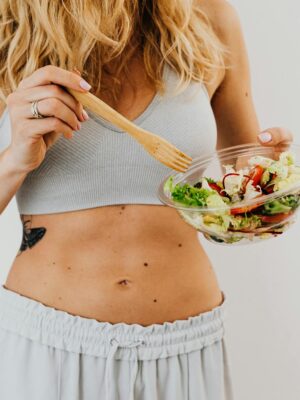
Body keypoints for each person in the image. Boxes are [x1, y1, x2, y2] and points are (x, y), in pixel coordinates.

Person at [0, 0, 293, 399]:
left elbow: (242, 181)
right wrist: (15, 159)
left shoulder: (209, 17)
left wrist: (266, 185)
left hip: (187, 345)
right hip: (50, 345)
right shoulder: (10, 25)